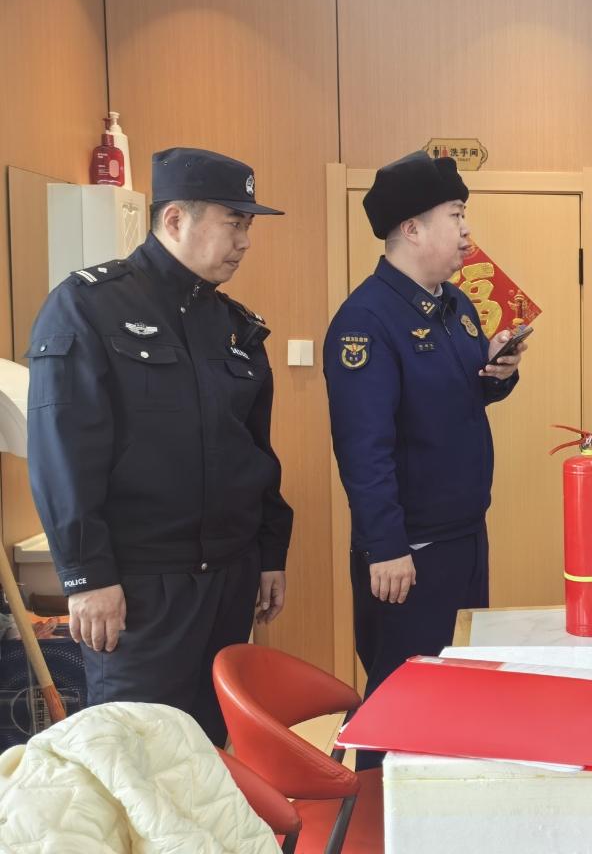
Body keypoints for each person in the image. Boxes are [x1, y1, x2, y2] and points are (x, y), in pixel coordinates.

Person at [26, 147, 293, 747]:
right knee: (138, 756)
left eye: (247, 226)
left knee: (210, 754)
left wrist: (270, 552)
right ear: (175, 219)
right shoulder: (89, 306)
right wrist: (85, 576)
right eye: (234, 222)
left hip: (228, 579)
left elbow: (254, 450)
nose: (245, 242)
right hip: (141, 588)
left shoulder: (235, 325)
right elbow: (63, 453)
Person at [325, 151, 526, 767]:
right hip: (408, 549)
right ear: (411, 228)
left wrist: (498, 373)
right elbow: (364, 448)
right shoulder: (366, 321)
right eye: (455, 215)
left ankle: (446, 810)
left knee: (457, 687)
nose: (467, 230)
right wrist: (385, 546)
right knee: (401, 699)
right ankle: (375, 809)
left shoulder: (455, 305)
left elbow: (460, 396)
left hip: (464, 535)